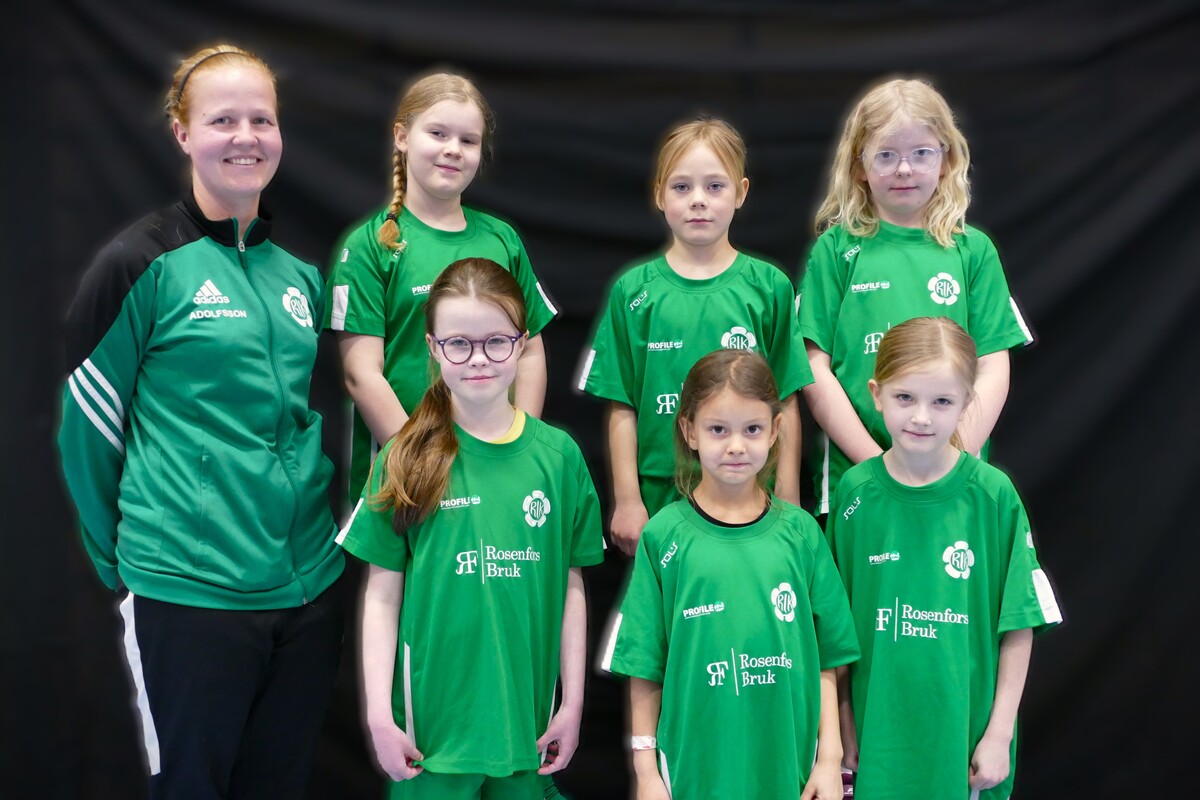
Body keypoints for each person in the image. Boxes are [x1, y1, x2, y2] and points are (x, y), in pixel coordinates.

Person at [57, 44, 344, 798]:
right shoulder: (138, 265)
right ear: (183, 133)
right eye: (223, 120)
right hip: (188, 594)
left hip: (307, 593)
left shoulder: (299, 278)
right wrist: (130, 568)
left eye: (262, 119)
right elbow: (87, 430)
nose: (246, 136)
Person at [339, 258, 604, 799]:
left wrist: (573, 703)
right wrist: (377, 715)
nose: (478, 358)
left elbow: (571, 587)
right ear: (433, 348)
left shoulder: (559, 459)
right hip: (430, 740)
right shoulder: (404, 457)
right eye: (459, 344)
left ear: (522, 343)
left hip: (527, 731)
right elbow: (382, 595)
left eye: (496, 342)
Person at [602, 349, 860, 800]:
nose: (736, 445)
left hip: (790, 767)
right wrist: (646, 771)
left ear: (775, 431)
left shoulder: (802, 534)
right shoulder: (663, 536)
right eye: (718, 429)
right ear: (689, 431)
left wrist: (829, 759)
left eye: (752, 429)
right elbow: (644, 665)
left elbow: (827, 658)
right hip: (694, 770)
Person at [825, 317, 1062, 800]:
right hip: (877, 743)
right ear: (876, 394)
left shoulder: (993, 496)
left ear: (966, 403)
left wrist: (999, 735)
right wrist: (844, 726)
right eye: (905, 397)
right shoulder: (855, 495)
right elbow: (834, 633)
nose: (922, 417)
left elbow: (1019, 623)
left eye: (941, 402)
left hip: (965, 747)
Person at [798, 77, 1033, 516]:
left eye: (921, 153)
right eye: (886, 155)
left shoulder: (972, 250)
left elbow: (993, 363)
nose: (904, 169)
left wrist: (952, 460)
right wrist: (878, 467)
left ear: (946, 160)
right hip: (857, 480)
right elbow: (814, 367)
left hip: (954, 482)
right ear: (858, 166)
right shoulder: (835, 251)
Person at [578, 117, 809, 556]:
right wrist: (628, 500)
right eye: (682, 187)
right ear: (659, 195)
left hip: (753, 490)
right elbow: (621, 404)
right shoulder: (633, 291)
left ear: (741, 192)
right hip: (662, 492)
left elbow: (788, 399)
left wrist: (789, 494)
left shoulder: (769, 286)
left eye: (715, 186)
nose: (698, 200)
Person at [326, 71, 556, 502]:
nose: (453, 149)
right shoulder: (370, 245)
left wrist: (518, 450)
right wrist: (423, 463)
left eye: (468, 140)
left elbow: (531, 352)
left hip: (496, 471)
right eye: (437, 133)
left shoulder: (502, 240)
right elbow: (362, 374)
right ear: (402, 137)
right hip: (407, 477)